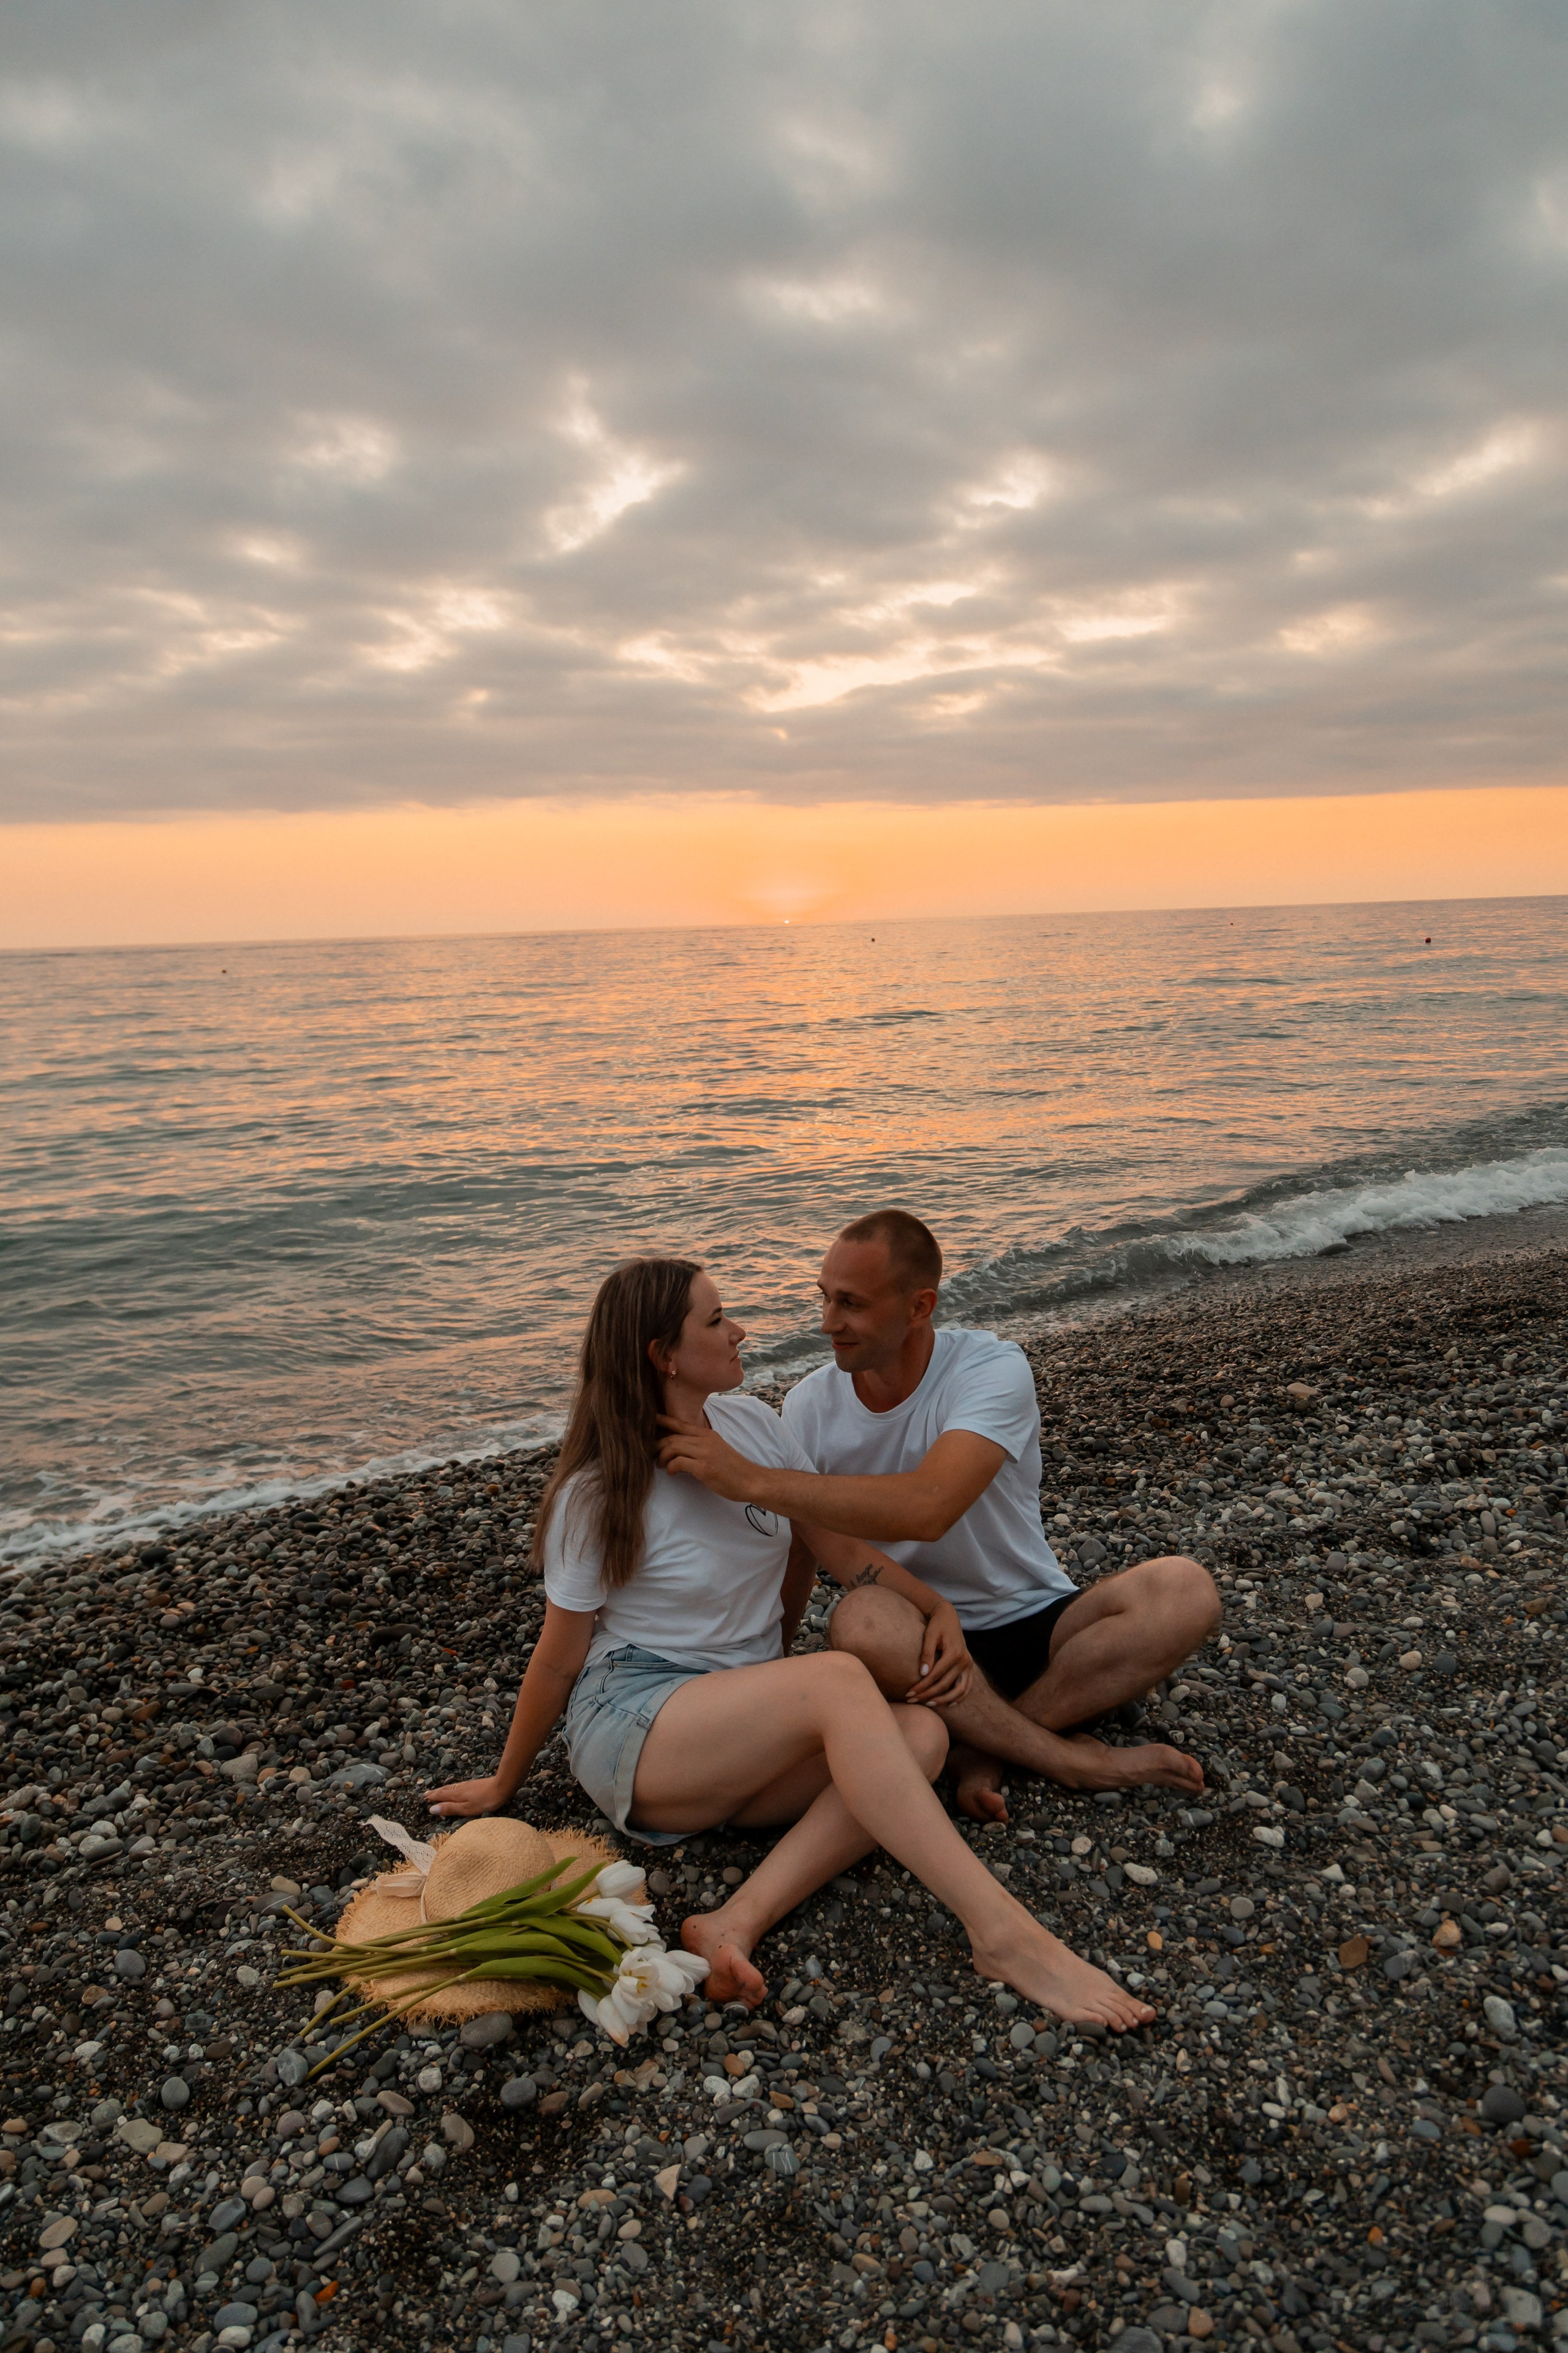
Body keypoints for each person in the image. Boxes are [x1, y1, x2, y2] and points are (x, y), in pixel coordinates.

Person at [427, 1256, 1153, 2032]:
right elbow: (560, 1657)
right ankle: (1005, 1935)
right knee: (837, 1679)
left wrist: (934, 1606)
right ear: (661, 1354)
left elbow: (841, 1552)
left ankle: (735, 1920)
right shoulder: (600, 1489)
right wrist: (507, 1781)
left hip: (732, 1735)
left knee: (923, 1732)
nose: (739, 1330)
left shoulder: (752, 1427)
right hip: (636, 1719)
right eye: (714, 1320)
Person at [656, 1210, 1219, 1823]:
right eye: (823, 1298)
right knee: (859, 1620)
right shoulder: (811, 1406)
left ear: (919, 1306)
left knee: (1183, 1590)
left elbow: (931, 1506)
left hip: (1039, 1625)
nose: (827, 1323)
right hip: (914, 1643)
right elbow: (802, 1547)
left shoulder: (989, 1370)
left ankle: (990, 1746)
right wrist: (769, 1666)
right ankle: (1065, 1754)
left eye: (851, 1304)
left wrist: (755, 1480)